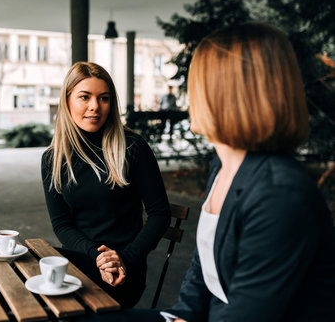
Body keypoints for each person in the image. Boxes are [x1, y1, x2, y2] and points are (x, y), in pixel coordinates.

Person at [78, 22, 335, 322]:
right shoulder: (224, 165)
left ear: (230, 95)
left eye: (197, 83)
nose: (190, 96)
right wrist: (182, 315)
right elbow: (204, 269)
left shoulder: (279, 193)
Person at [41, 61, 171, 308]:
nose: (95, 107)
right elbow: (61, 224)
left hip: (123, 271)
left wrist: (125, 259)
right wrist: (96, 255)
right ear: (67, 101)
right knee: (11, 283)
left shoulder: (132, 148)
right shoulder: (53, 158)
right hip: (82, 260)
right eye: (84, 97)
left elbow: (159, 214)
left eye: (103, 98)